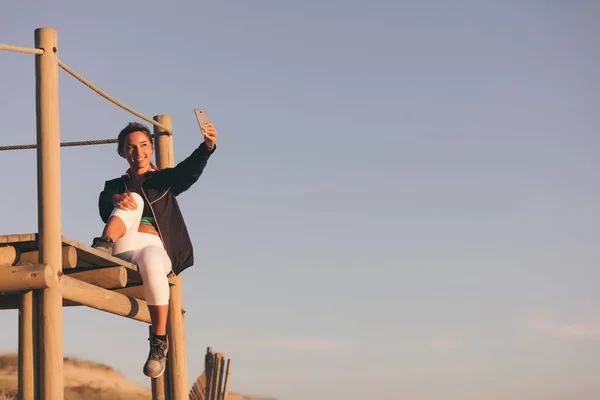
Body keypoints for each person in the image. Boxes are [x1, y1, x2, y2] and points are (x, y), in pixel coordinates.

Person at [90, 119, 217, 379]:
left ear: (151, 149)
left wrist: (207, 146)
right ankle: (103, 245)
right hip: (122, 247)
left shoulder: (163, 180)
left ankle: (159, 342)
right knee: (133, 198)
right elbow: (104, 205)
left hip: (156, 249)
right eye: (131, 147)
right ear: (123, 152)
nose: (138, 152)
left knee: (151, 257)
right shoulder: (114, 185)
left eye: (144, 145)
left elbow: (187, 172)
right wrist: (115, 198)